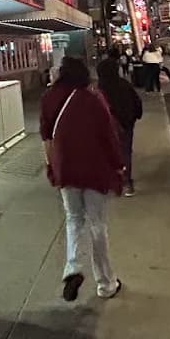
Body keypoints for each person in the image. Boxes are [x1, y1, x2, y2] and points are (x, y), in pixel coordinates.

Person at [40, 56, 124, 300]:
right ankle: (106, 283)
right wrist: (118, 166)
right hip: (94, 168)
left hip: (66, 169)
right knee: (97, 223)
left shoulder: (48, 98)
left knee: (74, 218)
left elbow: (47, 138)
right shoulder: (94, 98)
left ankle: (73, 267)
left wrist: (51, 167)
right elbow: (108, 136)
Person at [97, 56, 142, 196]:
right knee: (125, 152)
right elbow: (136, 102)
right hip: (126, 124)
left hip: (106, 127)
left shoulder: (98, 89)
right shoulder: (124, 84)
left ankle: (112, 181)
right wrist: (135, 116)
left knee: (107, 153)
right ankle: (127, 182)